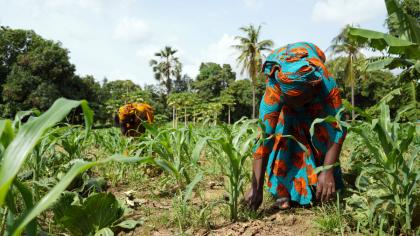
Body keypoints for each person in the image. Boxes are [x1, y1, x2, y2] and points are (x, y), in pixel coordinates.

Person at [244, 42, 347, 210]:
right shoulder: (274, 91)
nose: (299, 106)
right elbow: (264, 140)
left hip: (316, 100)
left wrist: (327, 171)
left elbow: (338, 128)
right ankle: (283, 190)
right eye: (294, 101)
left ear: (313, 89)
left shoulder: (324, 83)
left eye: (303, 100)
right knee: (282, 133)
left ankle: (324, 184)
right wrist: (256, 188)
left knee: (321, 133)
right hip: (288, 100)